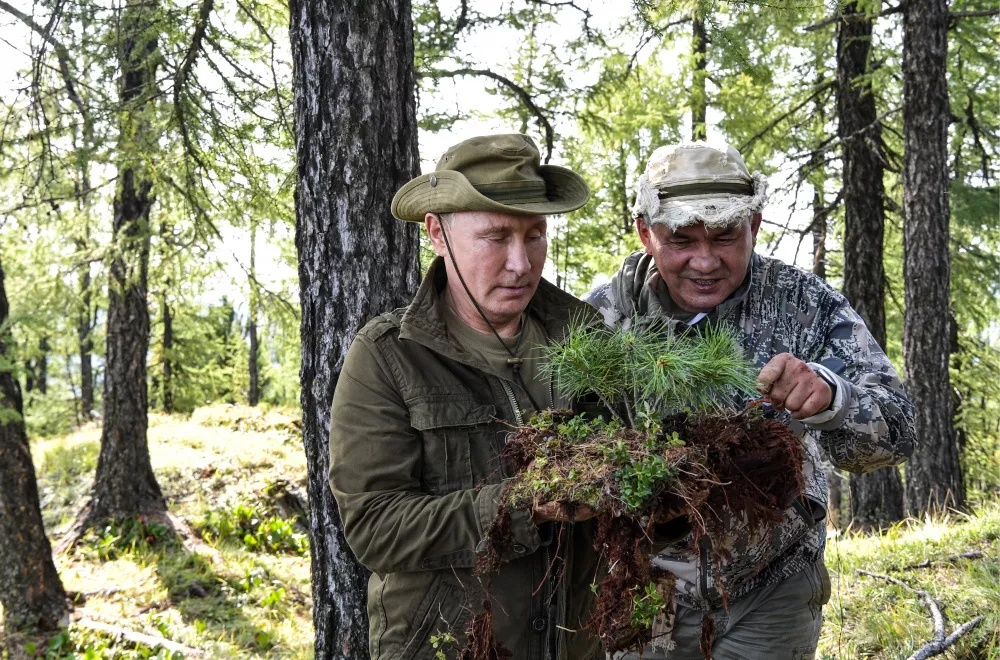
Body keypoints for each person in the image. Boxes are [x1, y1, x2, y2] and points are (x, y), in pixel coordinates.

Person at [586, 140, 916, 659]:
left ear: (755, 227)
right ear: (646, 234)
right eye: (681, 239)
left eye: (724, 237)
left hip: (770, 592)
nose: (705, 260)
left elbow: (897, 433)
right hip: (640, 589)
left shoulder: (805, 306)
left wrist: (833, 397)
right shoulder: (605, 320)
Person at [329, 133, 603, 660]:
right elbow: (374, 527)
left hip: (574, 645)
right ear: (438, 233)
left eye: (535, 235)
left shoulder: (585, 336)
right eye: (496, 237)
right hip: (448, 646)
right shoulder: (389, 357)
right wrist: (521, 507)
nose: (521, 263)